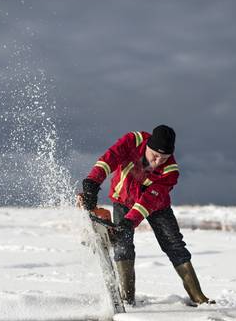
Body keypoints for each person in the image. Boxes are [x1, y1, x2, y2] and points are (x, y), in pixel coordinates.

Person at [81, 124, 214, 306]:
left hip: (157, 206)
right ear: (147, 146)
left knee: (174, 245)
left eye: (164, 157)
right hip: (123, 200)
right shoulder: (133, 141)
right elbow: (109, 159)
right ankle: (127, 298)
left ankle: (199, 298)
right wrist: (92, 182)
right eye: (155, 155)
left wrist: (129, 222)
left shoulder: (170, 171)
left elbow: (148, 202)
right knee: (123, 245)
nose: (158, 161)